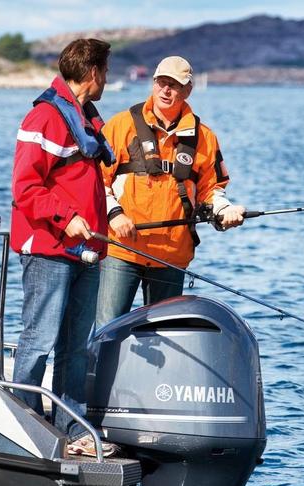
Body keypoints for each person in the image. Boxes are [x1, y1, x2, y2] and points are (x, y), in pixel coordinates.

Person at [10, 39, 117, 457]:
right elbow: (26, 188)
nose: (106, 79)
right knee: (39, 341)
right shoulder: (44, 118)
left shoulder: (88, 119)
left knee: (75, 348)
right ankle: (23, 429)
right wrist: (66, 217)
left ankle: (71, 433)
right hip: (51, 251)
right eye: (105, 71)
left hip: (86, 252)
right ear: (93, 72)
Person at [96, 56, 245, 327]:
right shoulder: (120, 126)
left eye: (174, 85)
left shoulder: (204, 137)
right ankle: (99, 371)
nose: (166, 90)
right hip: (121, 249)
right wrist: (114, 214)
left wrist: (225, 209)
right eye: (162, 82)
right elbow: (96, 180)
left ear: (187, 90)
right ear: (153, 84)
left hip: (172, 254)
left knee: (163, 335)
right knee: (108, 329)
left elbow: (212, 189)